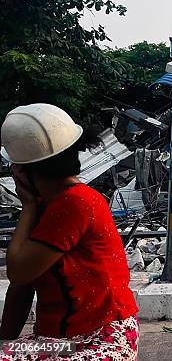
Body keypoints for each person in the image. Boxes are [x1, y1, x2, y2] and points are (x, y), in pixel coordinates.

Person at [0, 104, 139, 360]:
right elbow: (21, 289)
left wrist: (27, 206)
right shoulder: (52, 205)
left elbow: (19, 273)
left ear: (22, 171)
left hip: (100, 340)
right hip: (60, 343)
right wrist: (4, 344)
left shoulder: (75, 203)